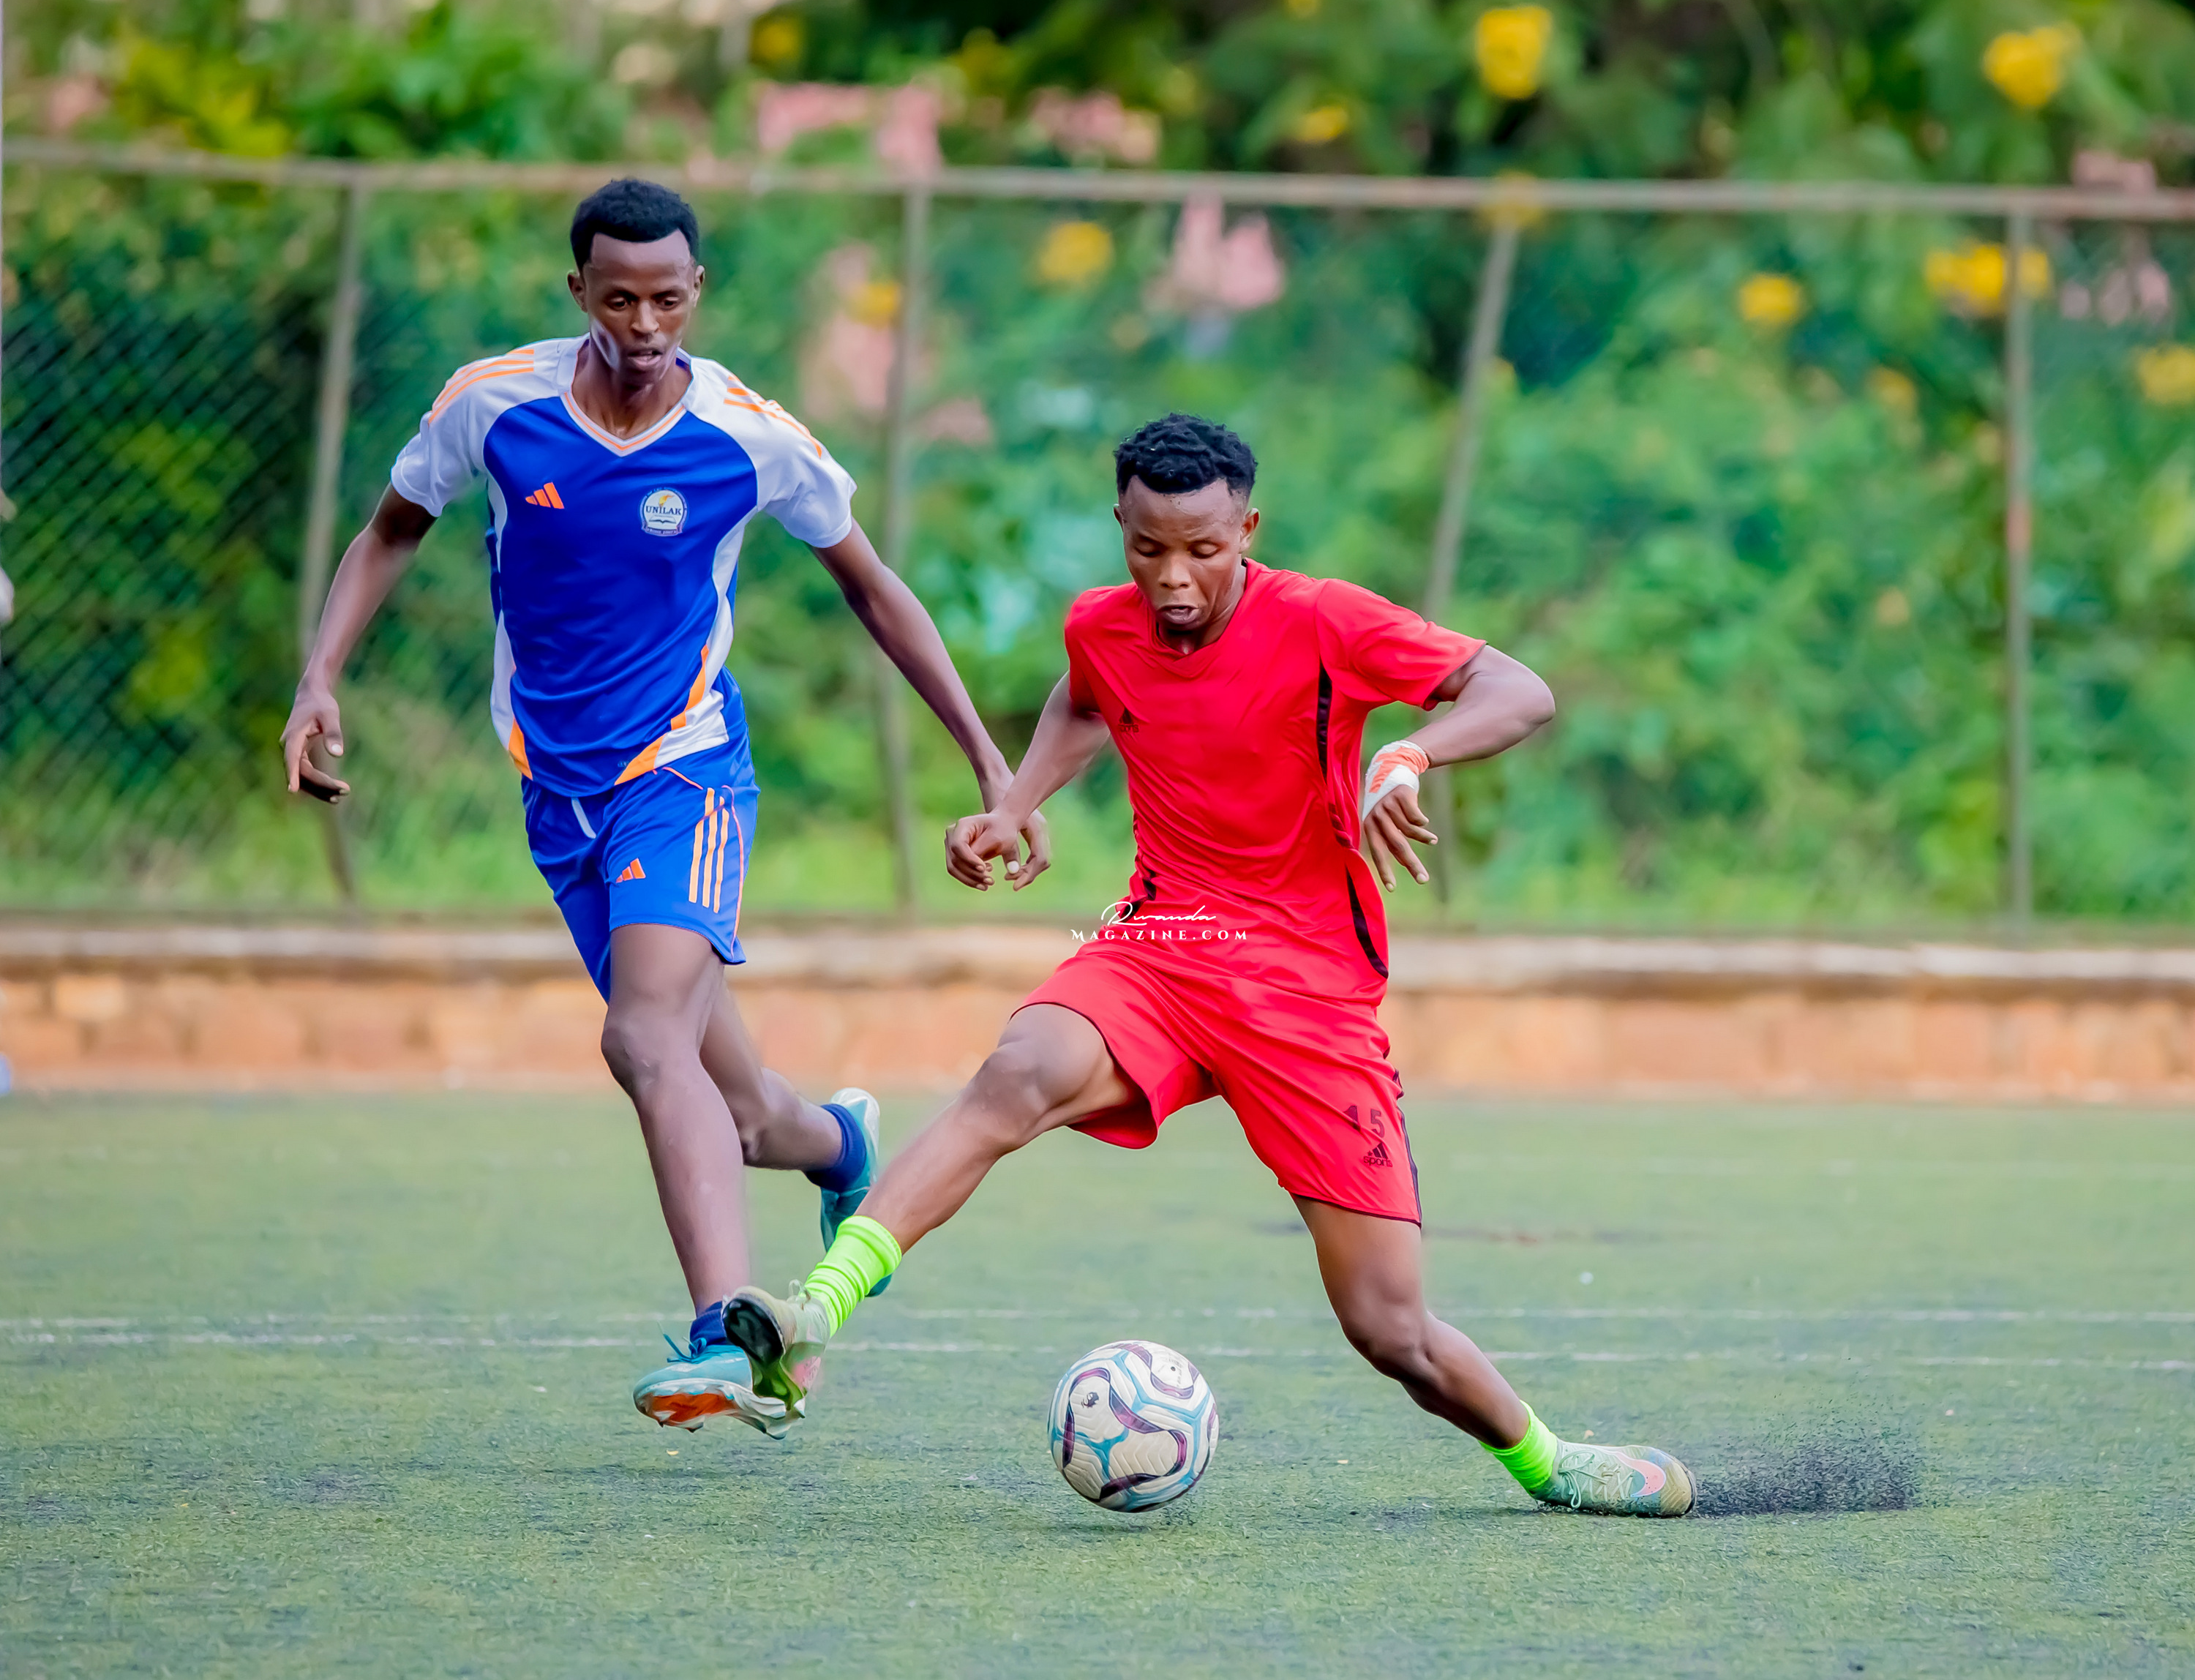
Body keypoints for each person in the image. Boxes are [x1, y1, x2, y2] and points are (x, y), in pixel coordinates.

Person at [718, 413, 1695, 1515]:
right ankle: (815, 1314)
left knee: (1392, 1330)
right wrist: (1016, 803)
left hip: (1306, 990)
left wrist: (1408, 753)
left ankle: (1551, 1462)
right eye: (1147, 549)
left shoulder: (1325, 620)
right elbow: (1086, 698)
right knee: (1017, 1073)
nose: (1173, 578)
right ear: (1121, 530)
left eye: (1203, 550)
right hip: (1163, 947)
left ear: (1248, 531)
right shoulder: (1103, 624)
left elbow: (1520, 690)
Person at [279, 178, 1027, 1438]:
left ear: (697, 292)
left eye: (667, 299)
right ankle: (839, 1147)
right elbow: (391, 530)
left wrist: (989, 763)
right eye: (618, 298)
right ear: (579, 290)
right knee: (739, 1115)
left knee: (640, 1039)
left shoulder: (749, 435)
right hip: (557, 789)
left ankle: (727, 1332)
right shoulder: (494, 406)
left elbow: (873, 586)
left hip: (685, 772)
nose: (643, 324)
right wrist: (319, 677)